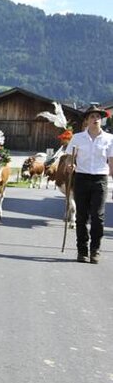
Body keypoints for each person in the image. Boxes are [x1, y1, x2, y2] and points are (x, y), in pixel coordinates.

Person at [67, 103, 113, 263]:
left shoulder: (109, 139)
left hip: (100, 179)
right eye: (92, 116)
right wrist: (70, 165)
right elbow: (69, 159)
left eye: (98, 116)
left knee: (98, 216)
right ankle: (82, 250)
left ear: (102, 120)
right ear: (86, 120)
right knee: (81, 216)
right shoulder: (77, 138)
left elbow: (111, 163)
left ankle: (95, 250)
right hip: (81, 178)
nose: (95, 119)